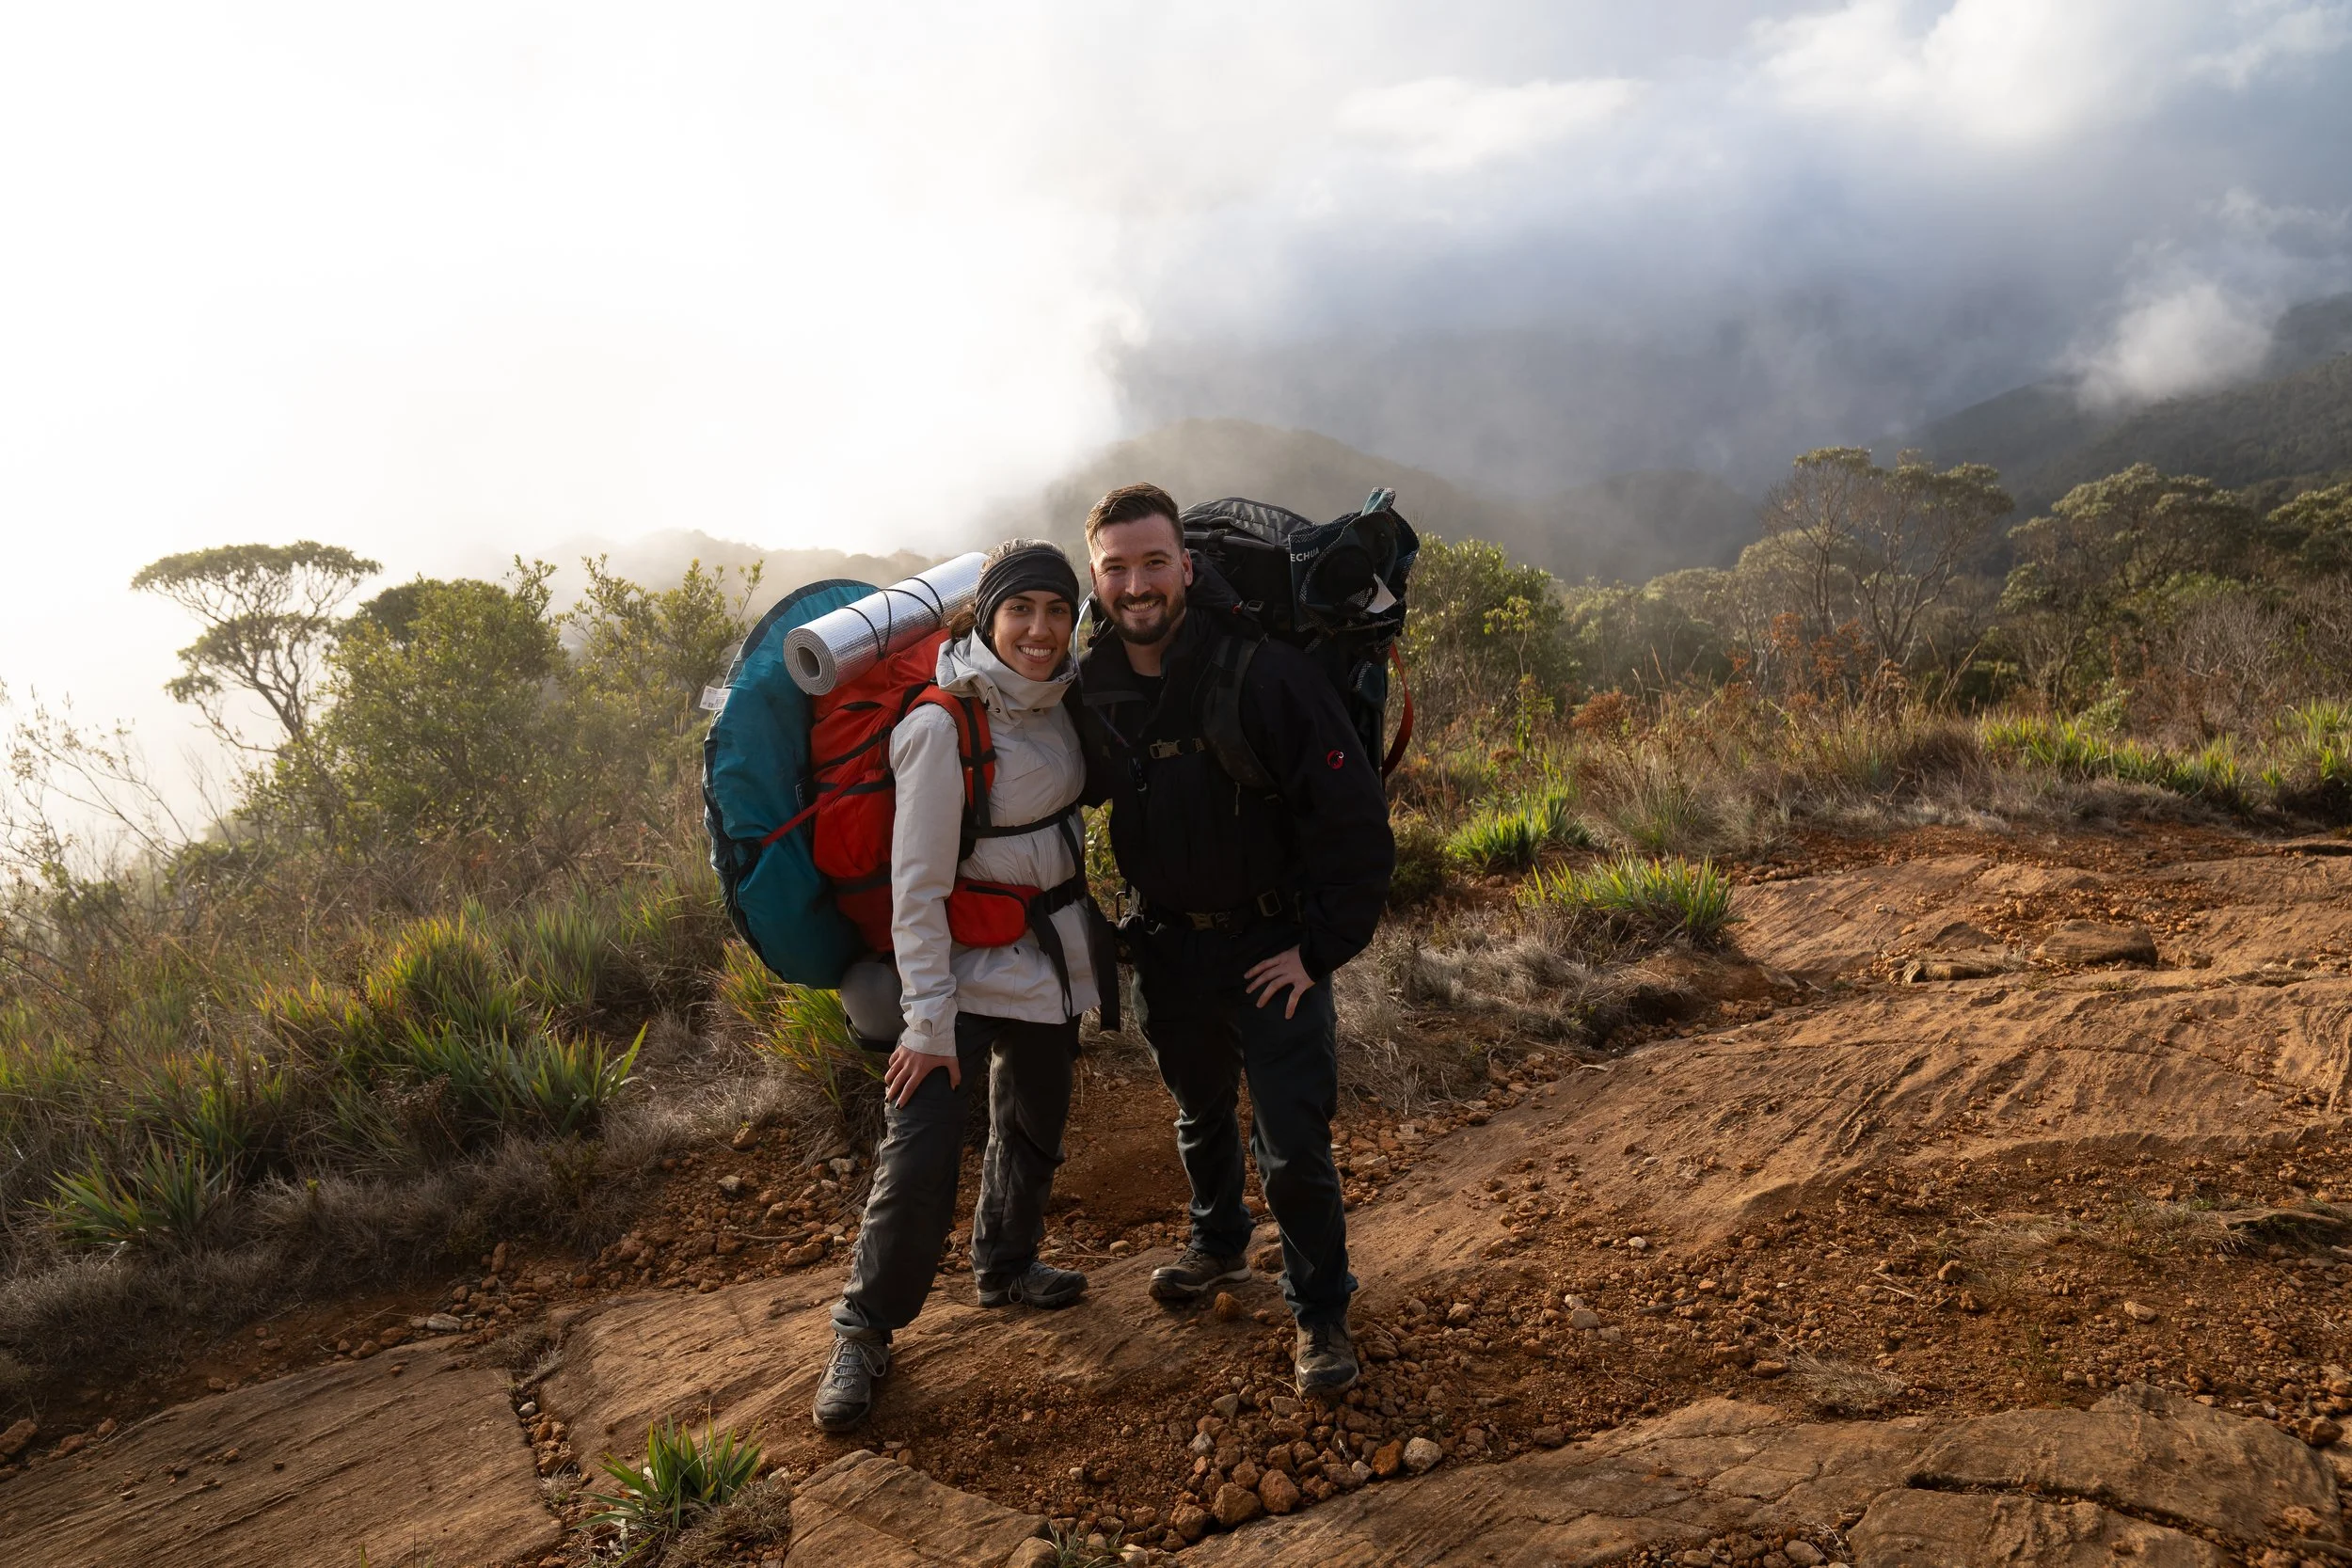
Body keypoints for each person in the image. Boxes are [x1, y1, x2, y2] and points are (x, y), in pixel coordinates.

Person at [1075, 483, 1395, 1400]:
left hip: (1271, 944)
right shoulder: (1094, 684)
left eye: (1151, 563)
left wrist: (1318, 947)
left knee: (1292, 1143)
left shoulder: (1265, 673)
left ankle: (1320, 1309)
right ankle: (1217, 1241)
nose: (1136, 584)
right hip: (1169, 946)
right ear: (1098, 579)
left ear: (1185, 564)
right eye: (1115, 568)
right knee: (1199, 1111)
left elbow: (1355, 823)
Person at [812, 540, 1103, 1433]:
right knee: (922, 1157)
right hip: (953, 978)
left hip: (1046, 962)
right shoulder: (942, 724)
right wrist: (927, 1020)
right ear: (986, 617)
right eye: (1023, 611)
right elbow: (918, 886)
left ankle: (1006, 1265)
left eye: (1057, 611)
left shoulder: (1058, 705)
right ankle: (862, 1331)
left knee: (1031, 1125)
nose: (1042, 630)